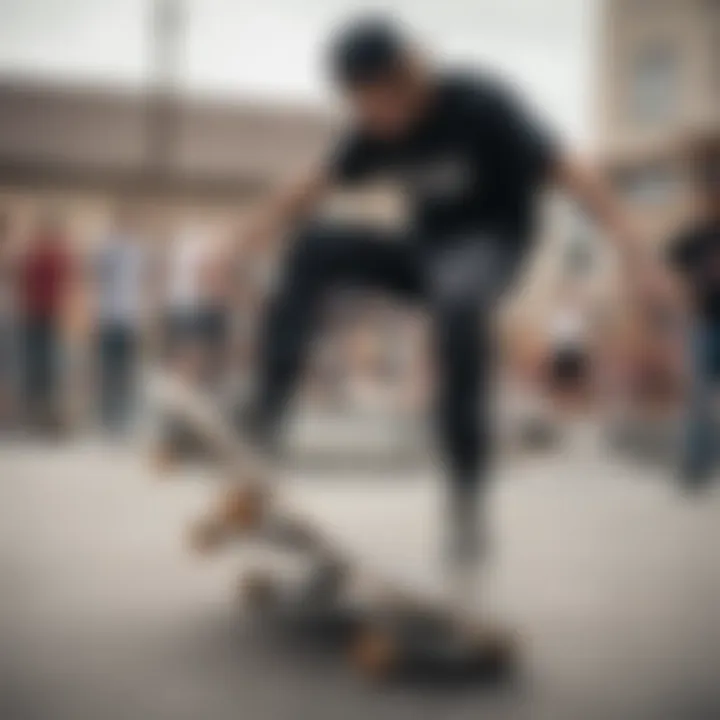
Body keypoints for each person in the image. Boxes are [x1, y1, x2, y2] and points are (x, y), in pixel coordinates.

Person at [231, 17, 665, 618]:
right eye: (358, 104)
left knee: (459, 302)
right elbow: (310, 185)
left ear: (406, 77)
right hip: (425, 258)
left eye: (378, 99)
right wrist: (240, 241)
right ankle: (264, 420)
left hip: (491, 251)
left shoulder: (480, 104)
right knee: (314, 246)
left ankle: (466, 499)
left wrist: (634, 251)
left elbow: (574, 171)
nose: (373, 117)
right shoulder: (371, 131)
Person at [668, 148, 720, 486]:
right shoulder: (696, 237)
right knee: (699, 395)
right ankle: (697, 465)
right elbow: (670, 264)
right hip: (706, 323)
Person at [16, 212, 73, 432]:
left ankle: (43, 413)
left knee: (46, 365)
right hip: (34, 313)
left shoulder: (53, 254)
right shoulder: (35, 254)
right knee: (35, 364)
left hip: (48, 313)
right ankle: (33, 411)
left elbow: (65, 282)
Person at [92, 208, 147, 434]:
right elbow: (96, 280)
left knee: (125, 371)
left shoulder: (138, 252)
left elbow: (143, 285)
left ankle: (121, 418)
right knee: (107, 369)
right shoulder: (107, 249)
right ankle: (107, 417)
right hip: (108, 317)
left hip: (129, 319)